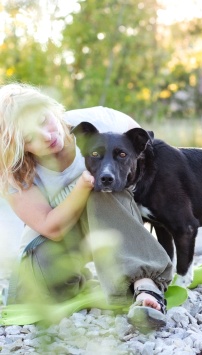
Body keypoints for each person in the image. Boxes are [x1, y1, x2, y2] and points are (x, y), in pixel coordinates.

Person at [0, 83, 173, 332]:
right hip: (52, 249)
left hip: (109, 221)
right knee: (35, 294)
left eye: (42, 119)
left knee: (104, 189)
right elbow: (51, 227)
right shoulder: (14, 172)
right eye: (29, 138)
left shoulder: (101, 121)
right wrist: (83, 184)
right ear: (18, 147)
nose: (47, 136)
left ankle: (145, 284)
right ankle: (90, 283)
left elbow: (148, 165)